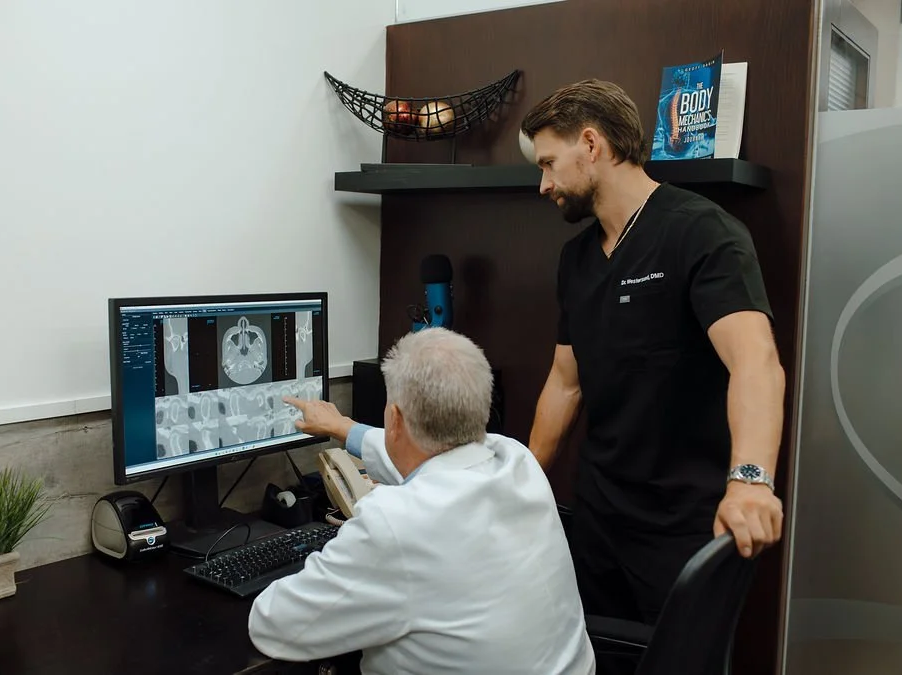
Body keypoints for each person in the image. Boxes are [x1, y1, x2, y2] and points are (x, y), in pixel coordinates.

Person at [519, 79, 786, 627]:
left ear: (591, 145)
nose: (543, 184)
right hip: (597, 521)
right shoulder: (576, 259)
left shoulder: (702, 232)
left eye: (548, 163)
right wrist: (521, 482)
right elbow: (565, 383)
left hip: (682, 529)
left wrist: (751, 481)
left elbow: (755, 362)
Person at [248, 327, 596, 675]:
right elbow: (428, 460)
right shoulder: (517, 459)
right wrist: (343, 428)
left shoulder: (396, 523)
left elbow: (275, 629)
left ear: (395, 419)